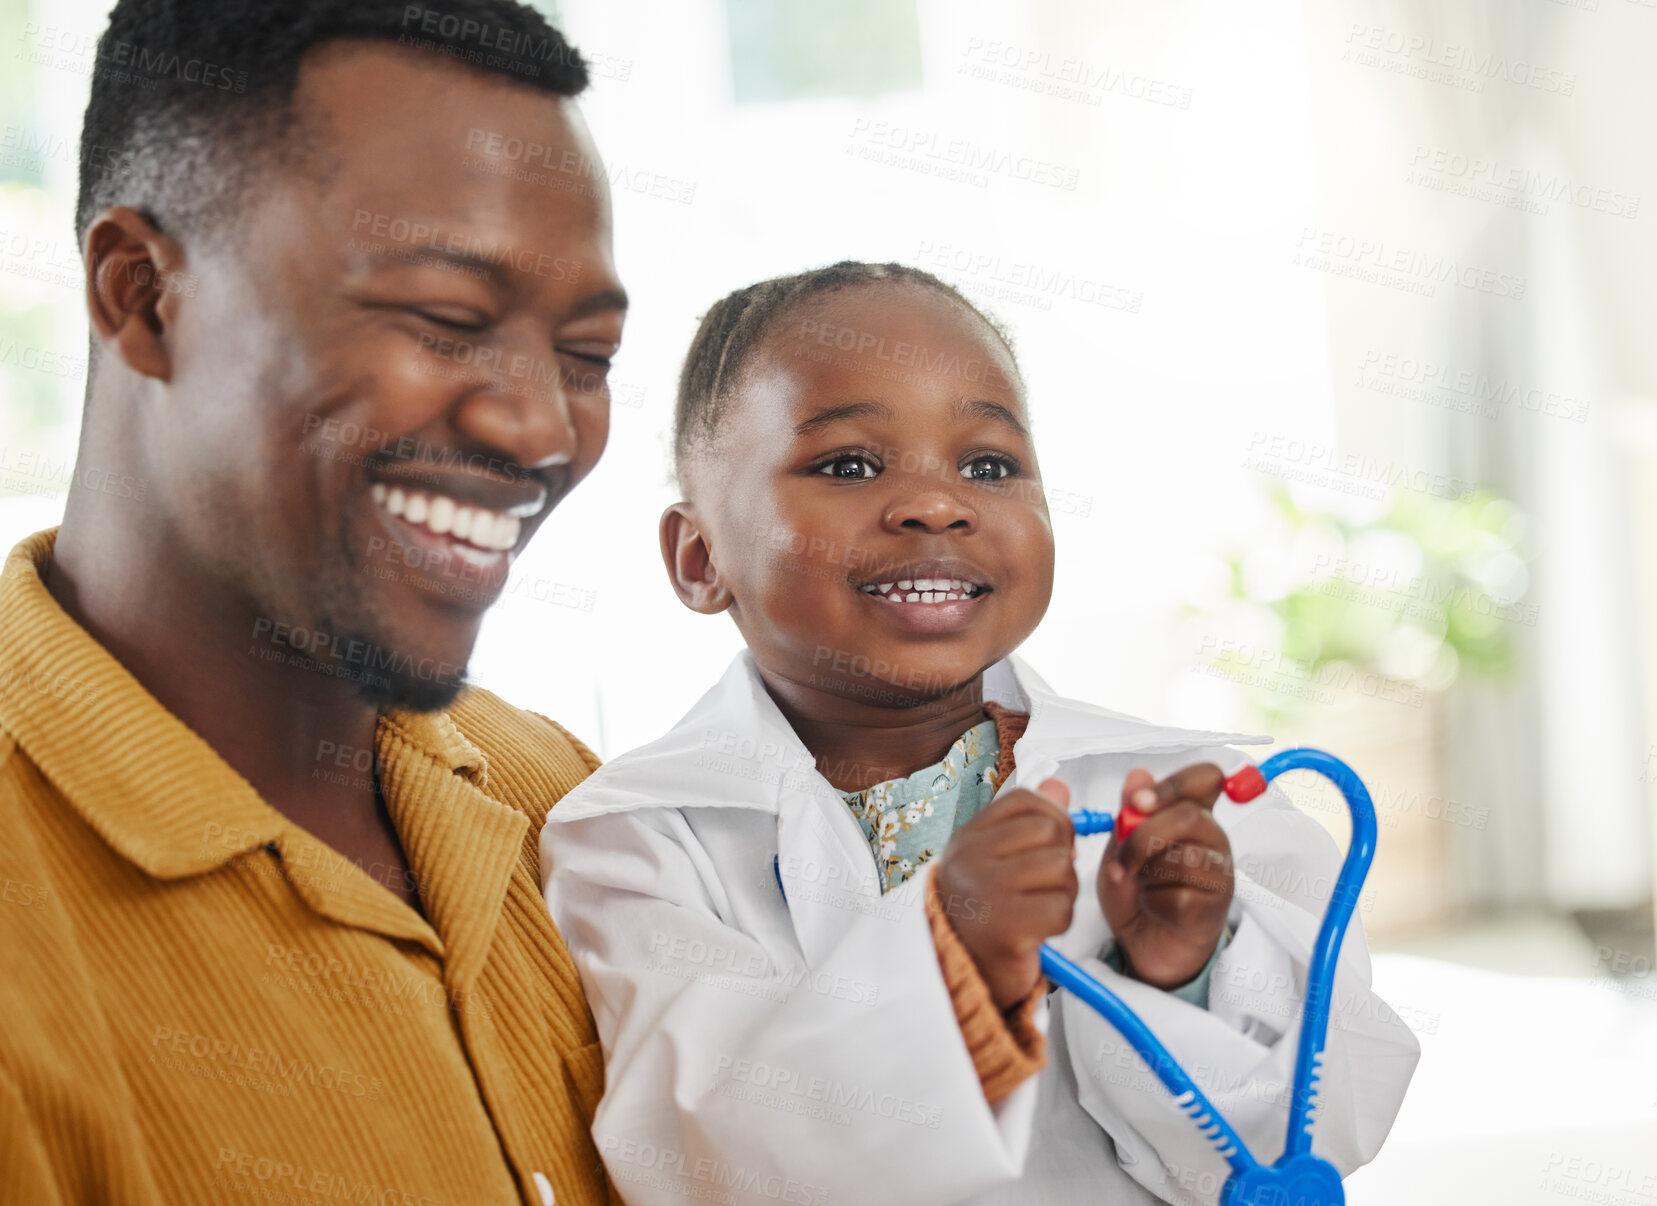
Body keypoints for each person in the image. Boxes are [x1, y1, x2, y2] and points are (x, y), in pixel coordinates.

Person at [541, 262, 1422, 1205]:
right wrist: (944, 946)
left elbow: (1324, 1123)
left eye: (988, 465)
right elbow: (698, 1156)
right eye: (849, 464)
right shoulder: (636, 837)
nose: (937, 502)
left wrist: (1186, 972)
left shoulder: (1183, 795)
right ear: (700, 556)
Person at [0, 2, 629, 1203]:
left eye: (586, 358)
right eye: (446, 321)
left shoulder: (573, 804)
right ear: (142, 295)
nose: (543, 428)